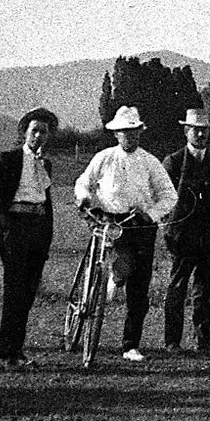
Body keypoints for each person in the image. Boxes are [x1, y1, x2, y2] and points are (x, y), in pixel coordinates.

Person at [73, 106, 177, 363]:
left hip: (139, 224)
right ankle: (107, 283)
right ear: (116, 134)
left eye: (134, 131)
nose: (130, 136)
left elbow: (169, 196)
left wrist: (151, 214)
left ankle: (131, 344)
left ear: (140, 132)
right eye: (124, 132)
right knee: (116, 265)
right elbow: (83, 183)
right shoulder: (104, 157)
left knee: (139, 286)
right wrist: (85, 199)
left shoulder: (150, 161)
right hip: (109, 220)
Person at [0, 107, 60, 370]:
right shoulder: (7, 160)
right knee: (15, 292)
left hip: (38, 231)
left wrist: (46, 232)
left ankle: (14, 349)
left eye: (44, 132)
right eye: (34, 131)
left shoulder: (46, 164)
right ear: (24, 132)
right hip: (15, 231)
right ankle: (7, 351)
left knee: (30, 292)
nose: (39, 136)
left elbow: (45, 200)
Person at [161, 108, 210, 354]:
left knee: (204, 287)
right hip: (182, 234)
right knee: (178, 286)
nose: (200, 134)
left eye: (205, 131)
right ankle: (172, 340)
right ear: (186, 131)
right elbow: (168, 199)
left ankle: (204, 337)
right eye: (195, 130)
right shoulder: (174, 161)